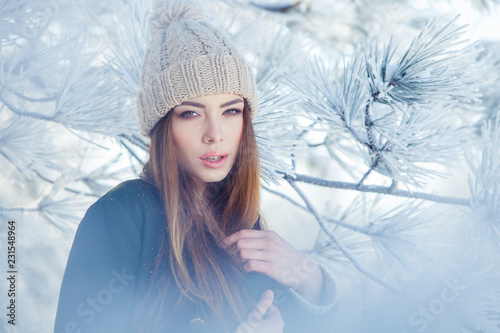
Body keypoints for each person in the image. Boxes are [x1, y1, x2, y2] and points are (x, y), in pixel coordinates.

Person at [54, 0, 337, 332]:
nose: (215, 134)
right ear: (163, 126)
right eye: (191, 113)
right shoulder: (120, 215)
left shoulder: (244, 224)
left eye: (230, 111)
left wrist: (308, 278)